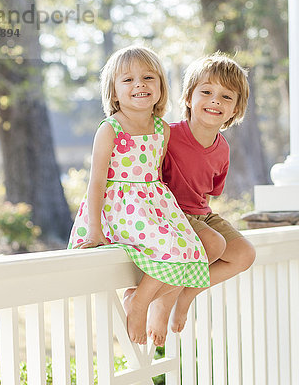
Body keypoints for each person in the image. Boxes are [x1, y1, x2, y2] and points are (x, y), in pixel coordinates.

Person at [68, 45, 210, 345]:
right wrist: (94, 228)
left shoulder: (161, 128)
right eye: (128, 80)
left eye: (148, 78)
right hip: (120, 207)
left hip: (154, 203)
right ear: (114, 92)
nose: (140, 85)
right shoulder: (110, 129)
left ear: (160, 86)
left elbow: (156, 175)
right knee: (174, 247)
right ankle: (139, 304)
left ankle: (140, 298)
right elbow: (96, 184)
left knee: (194, 249)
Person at [147, 52, 256, 345]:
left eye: (226, 97)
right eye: (206, 92)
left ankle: (188, 291)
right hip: (170, 214)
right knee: (213, 244)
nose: (215, 101)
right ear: (188, 98)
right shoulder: (166, 135)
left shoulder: (223, 149)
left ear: (235, 109)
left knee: (244, 254)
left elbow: (207, 193)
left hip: (199, 212)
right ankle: (163, 301)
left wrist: (200, 219)